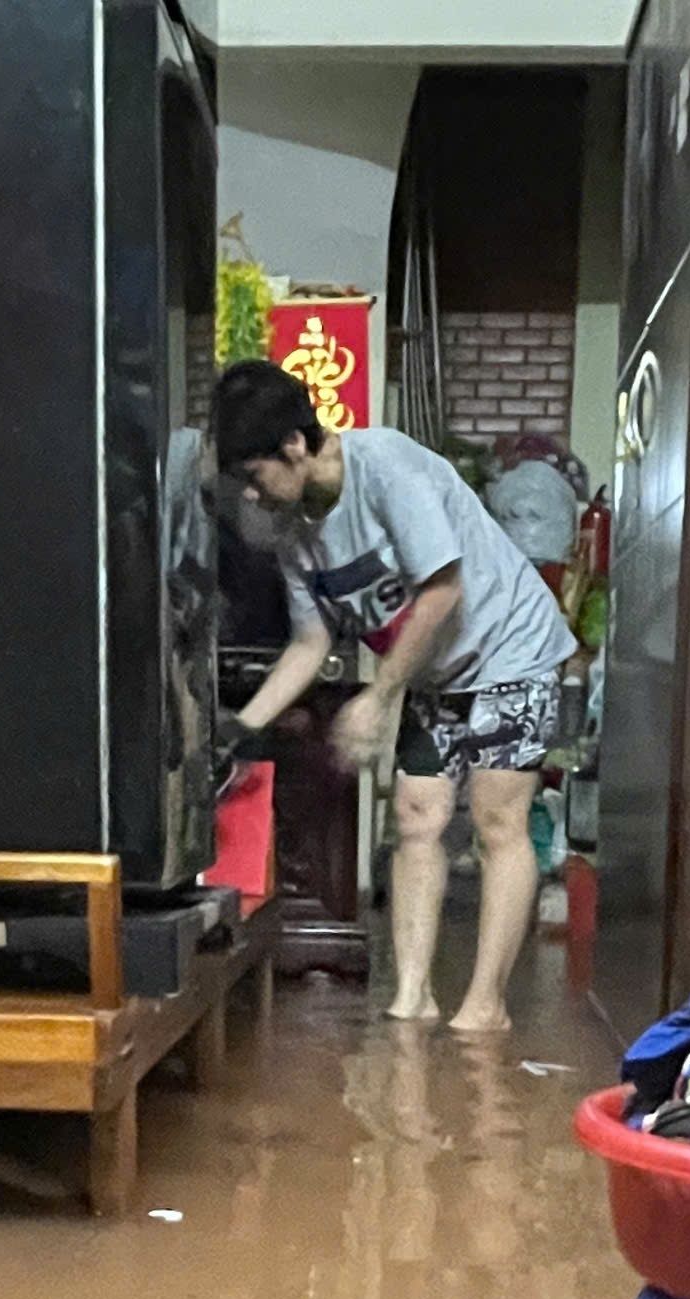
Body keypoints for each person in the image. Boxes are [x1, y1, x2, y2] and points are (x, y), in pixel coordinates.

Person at [212, 360, 575, 1035]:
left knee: (498, 822)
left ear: (294, 446)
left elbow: (442, 592)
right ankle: (413, 995)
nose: (255, 498)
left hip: (508, 651)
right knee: (416, 817)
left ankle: (484, 1006)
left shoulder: (387, 468)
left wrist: (380, 695)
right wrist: (240, 728)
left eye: (256, 478)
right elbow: (309, 641)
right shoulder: (298, 532)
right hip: (431, 670)